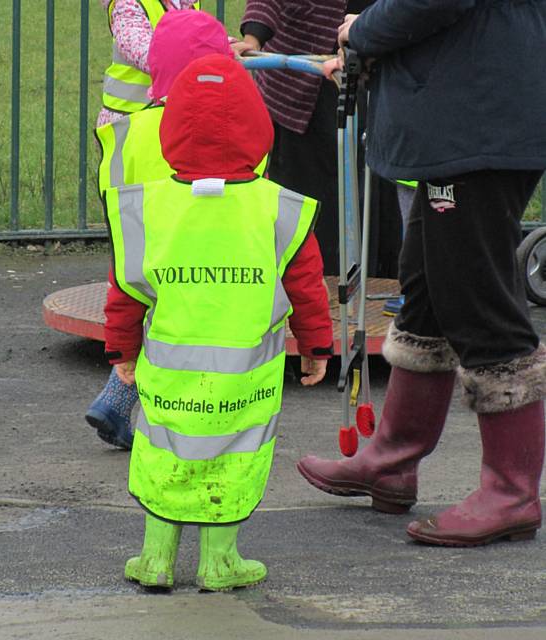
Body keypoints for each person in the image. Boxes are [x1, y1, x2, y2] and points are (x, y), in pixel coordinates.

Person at [298, 0, 546, 547]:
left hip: (476, 117)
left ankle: (512, 491)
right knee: (428, 290)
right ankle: (393, 459)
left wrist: (365, 28)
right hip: (466, 111)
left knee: (477, 296)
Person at [103, 53, 334, 590]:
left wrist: (122, 354)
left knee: (163, 456)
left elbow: (124, 292)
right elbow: (306, 284)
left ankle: (156, 560)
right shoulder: (279, 208)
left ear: (170, 130)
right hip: (246, 385)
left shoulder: (146, 209)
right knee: (234, 461)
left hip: (167, 380)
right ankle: (219, 562)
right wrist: (316, 346)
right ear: (258, 129)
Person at [86, 1, 203, 450]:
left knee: (155, 279)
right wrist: (208, 51)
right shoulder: (131, 4)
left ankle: (120, 397)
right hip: (133, 151)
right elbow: (148, 49)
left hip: (163, 144)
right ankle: (130, 396)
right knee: (147, 278)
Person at [233, 1, 347, 276]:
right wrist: (252, 40)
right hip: (297, 89)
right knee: (303, 206)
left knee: (360, 194)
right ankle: (311, 283)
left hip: (365, 72)